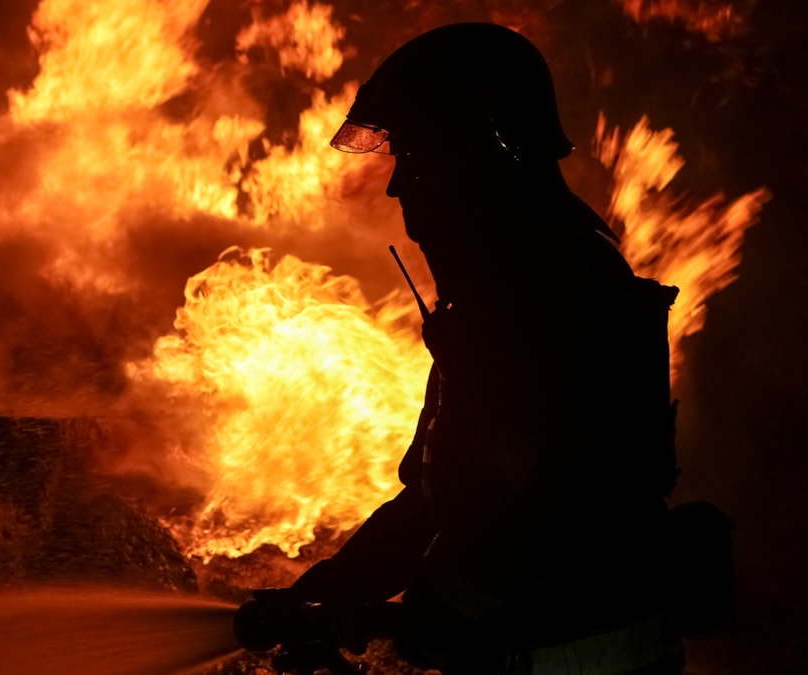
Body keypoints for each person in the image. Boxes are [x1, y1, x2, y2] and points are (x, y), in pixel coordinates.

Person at [273, 23, 685, 675]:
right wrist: (328, 591)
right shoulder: (500, 296)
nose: (399, 188)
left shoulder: (564, 291)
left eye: (412, 159)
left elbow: (561, 497)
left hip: (576, 653)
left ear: (471, 152)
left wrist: (437, 606)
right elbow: (442, 496)